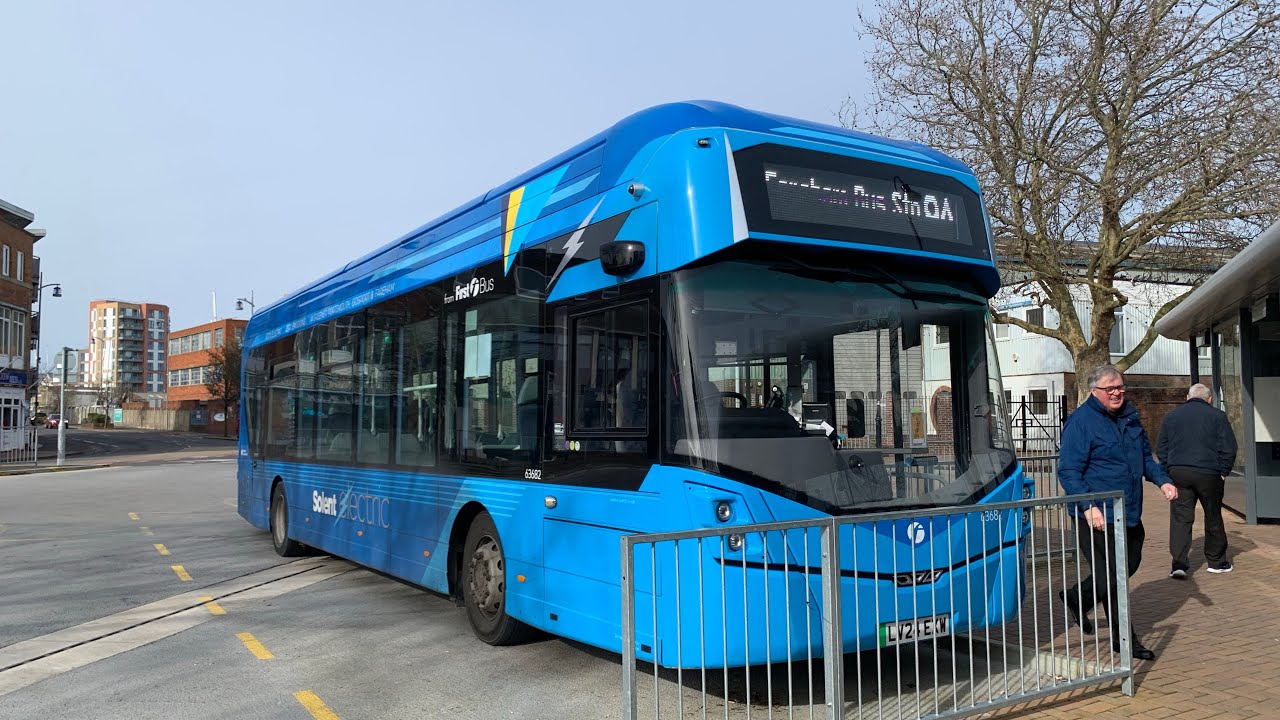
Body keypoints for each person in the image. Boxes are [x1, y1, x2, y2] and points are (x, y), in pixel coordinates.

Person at [1057, 365, 1178, 661]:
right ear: (1094, 391)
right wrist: (1089, 506)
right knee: (1112, 577)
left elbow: (1145, 458)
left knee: (1127, 565)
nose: (1116, 393)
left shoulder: (1130, 417)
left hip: (1129, 511)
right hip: (1096, 516)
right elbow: (1069, 471)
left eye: (1120, 387)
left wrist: (1162, 480)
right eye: (1109, 388)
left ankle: (1078, 597)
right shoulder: (1080, 423)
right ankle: (1125, 640)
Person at [1156, 383, 1238, 577]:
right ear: (1209, 399)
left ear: (1187, 397)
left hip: (1179, 472)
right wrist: (1223, 471)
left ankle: (1179, 565)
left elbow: (1161, 447)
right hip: (1209, 472)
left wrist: (1168, 469)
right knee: (1213, 515)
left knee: (1180, 518)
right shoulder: (1217, 416)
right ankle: (1216, 562)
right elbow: (1229, 447)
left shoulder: (1172, 416)